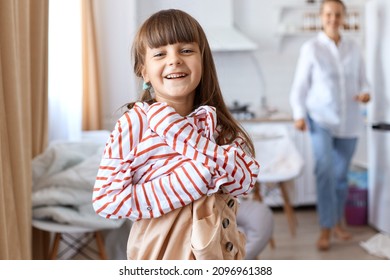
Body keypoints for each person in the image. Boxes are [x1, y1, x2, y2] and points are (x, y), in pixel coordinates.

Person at [92, 9, 260, 260]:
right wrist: (189, 181)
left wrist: (184, 137)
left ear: (202, 60)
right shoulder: (135, 123)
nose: (174, 60)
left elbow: (244, 180)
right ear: (144, 71)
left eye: (186, 50)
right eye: (160, 54)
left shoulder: (216, 124)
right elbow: (106, 200)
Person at [289, 0, 370, 251]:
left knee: (340, 176)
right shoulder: (311, 48)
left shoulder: (354, 47)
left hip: (349, 121)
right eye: (328, 14)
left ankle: (337, 223)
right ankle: (325, 228)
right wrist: (299, 114)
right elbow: (300, 86)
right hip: (320, 119)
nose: (333, 18)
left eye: (337, 14)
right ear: (321, 16)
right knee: (324, 171)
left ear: (343, 17)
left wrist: (366, 93)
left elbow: (363, 81)